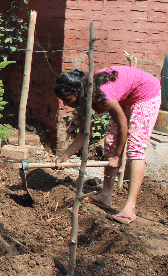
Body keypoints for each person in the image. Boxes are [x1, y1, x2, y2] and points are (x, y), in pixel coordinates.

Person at [54, 66, 162, 225]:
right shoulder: (85, 95)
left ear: (77, 93)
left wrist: (118, 156)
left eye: (67, 100)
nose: (65, 104)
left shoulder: (102, 94)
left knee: (135, 147)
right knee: (110, 143)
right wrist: (65, 156)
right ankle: (105, 195)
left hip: (145, 93)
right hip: (125, 96)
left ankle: (130, 208)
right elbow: (85, 133)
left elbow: (122, 125)